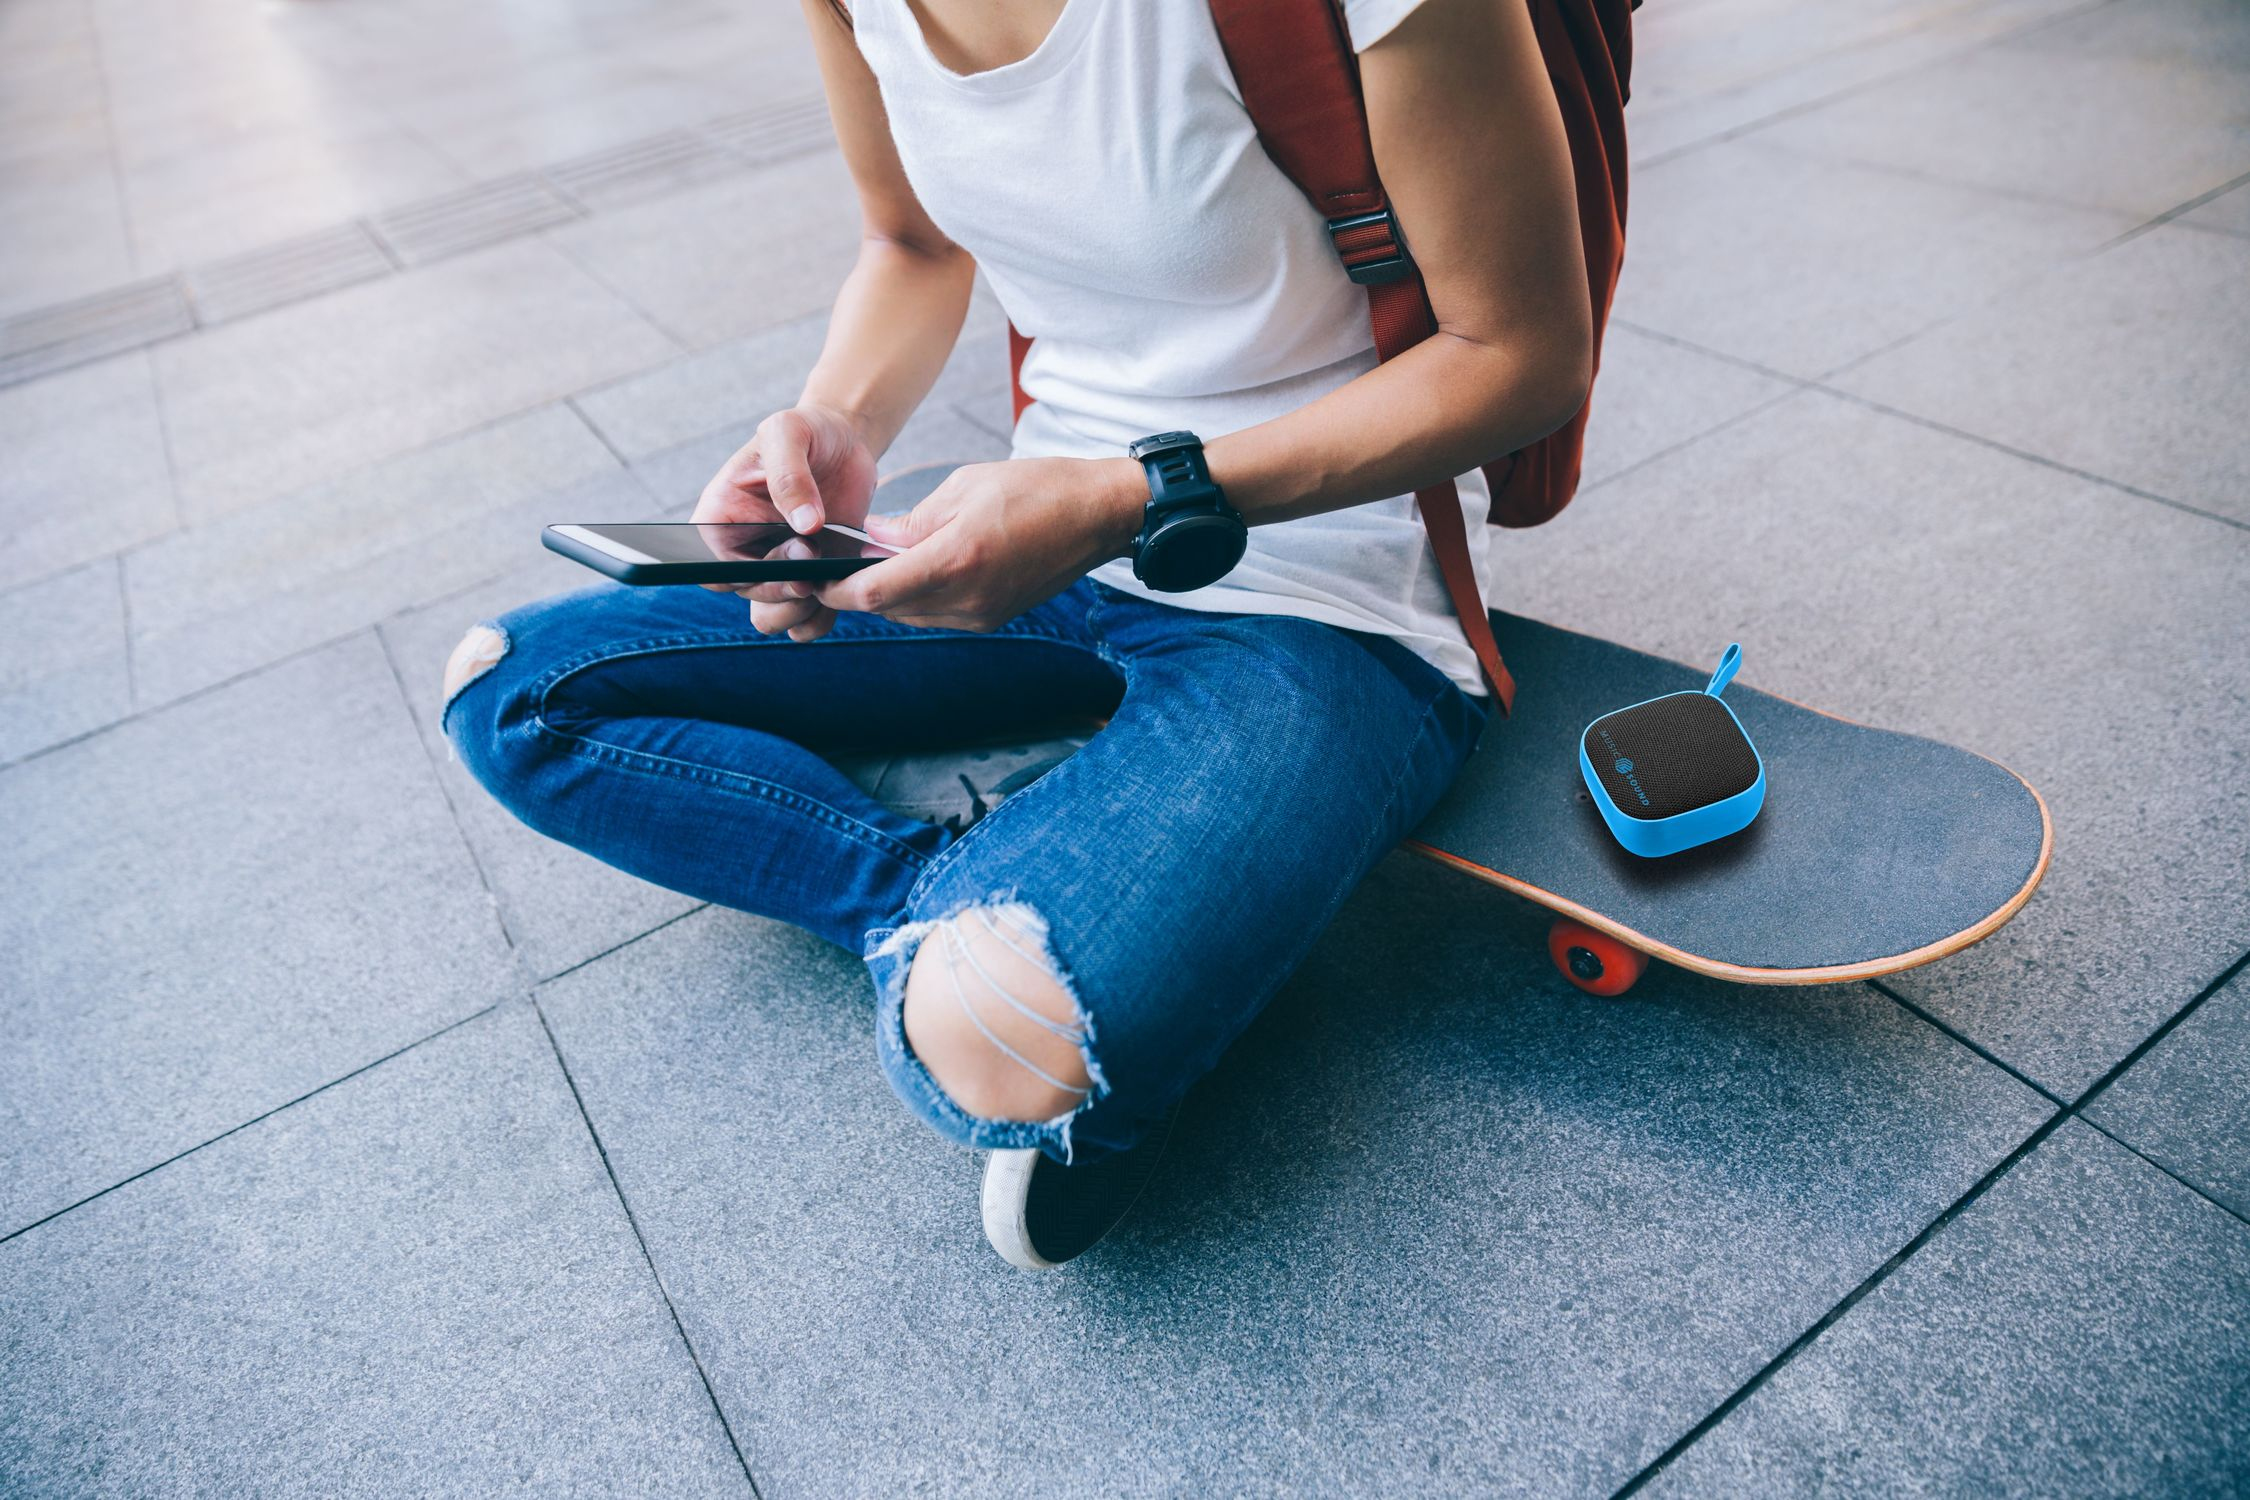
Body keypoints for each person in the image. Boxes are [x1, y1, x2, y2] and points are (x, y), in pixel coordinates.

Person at [442, 0, 1592, 1269]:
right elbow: (910, 244)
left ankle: (1047, 884)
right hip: (1026, 540)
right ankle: (973, 887)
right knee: (511, 691)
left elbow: (1522, 352)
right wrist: (836, 424)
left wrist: (1130, 498)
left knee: (994, 1039)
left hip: (1322, 595)